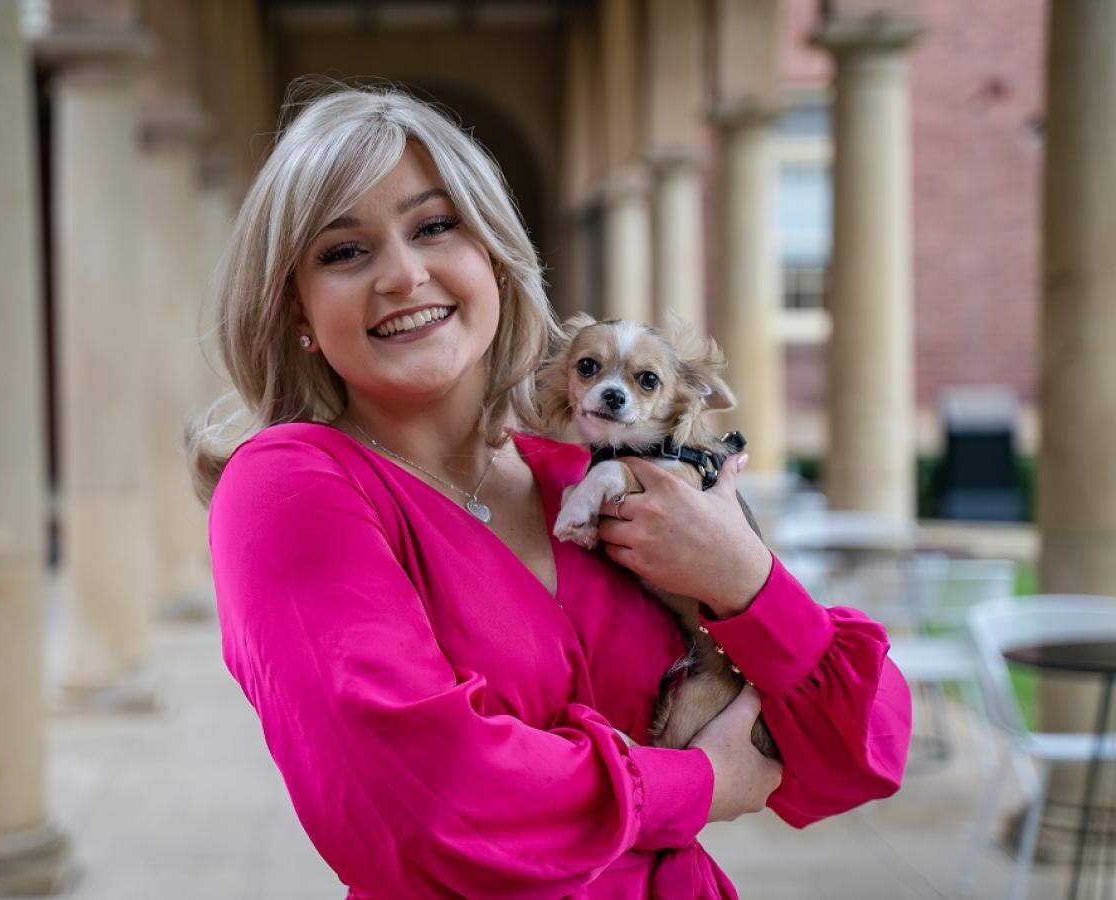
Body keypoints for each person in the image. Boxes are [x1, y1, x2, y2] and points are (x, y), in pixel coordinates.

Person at [188, 85, 911, 899]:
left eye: (434, 226)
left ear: (494, 257)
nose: (403, 274)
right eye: (344, 252)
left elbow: (861, 751)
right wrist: (696, 784)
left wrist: (742, 579)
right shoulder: (291, 486)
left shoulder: (592, 482)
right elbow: (423, 803)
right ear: (299, 309)